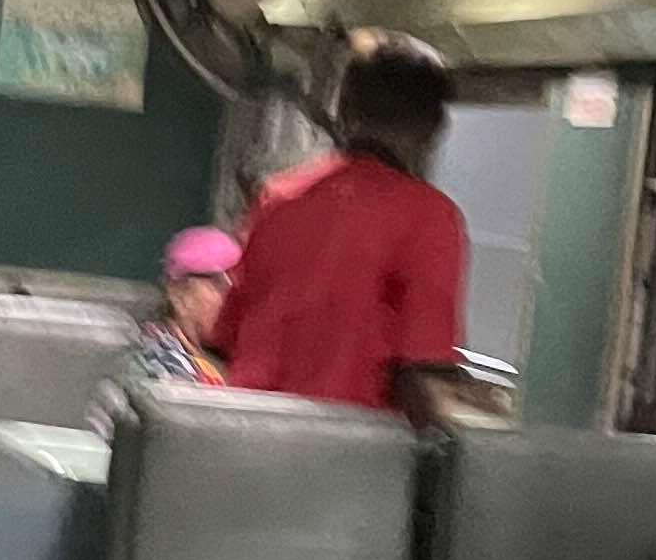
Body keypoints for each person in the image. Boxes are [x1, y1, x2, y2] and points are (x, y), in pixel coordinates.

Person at [211, 39, 470, 425]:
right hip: (342, 446)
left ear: (344, 110)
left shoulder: (278, 198)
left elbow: (226, 338)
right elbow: (421, 375)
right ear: (434, 128)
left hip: (244, 430)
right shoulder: (430, 217)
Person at [90, 224, 240, 435]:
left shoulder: (247, 364)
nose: (233, 299)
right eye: (218, 284)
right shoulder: (150, 368)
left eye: (241, 287)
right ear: (178, 292)